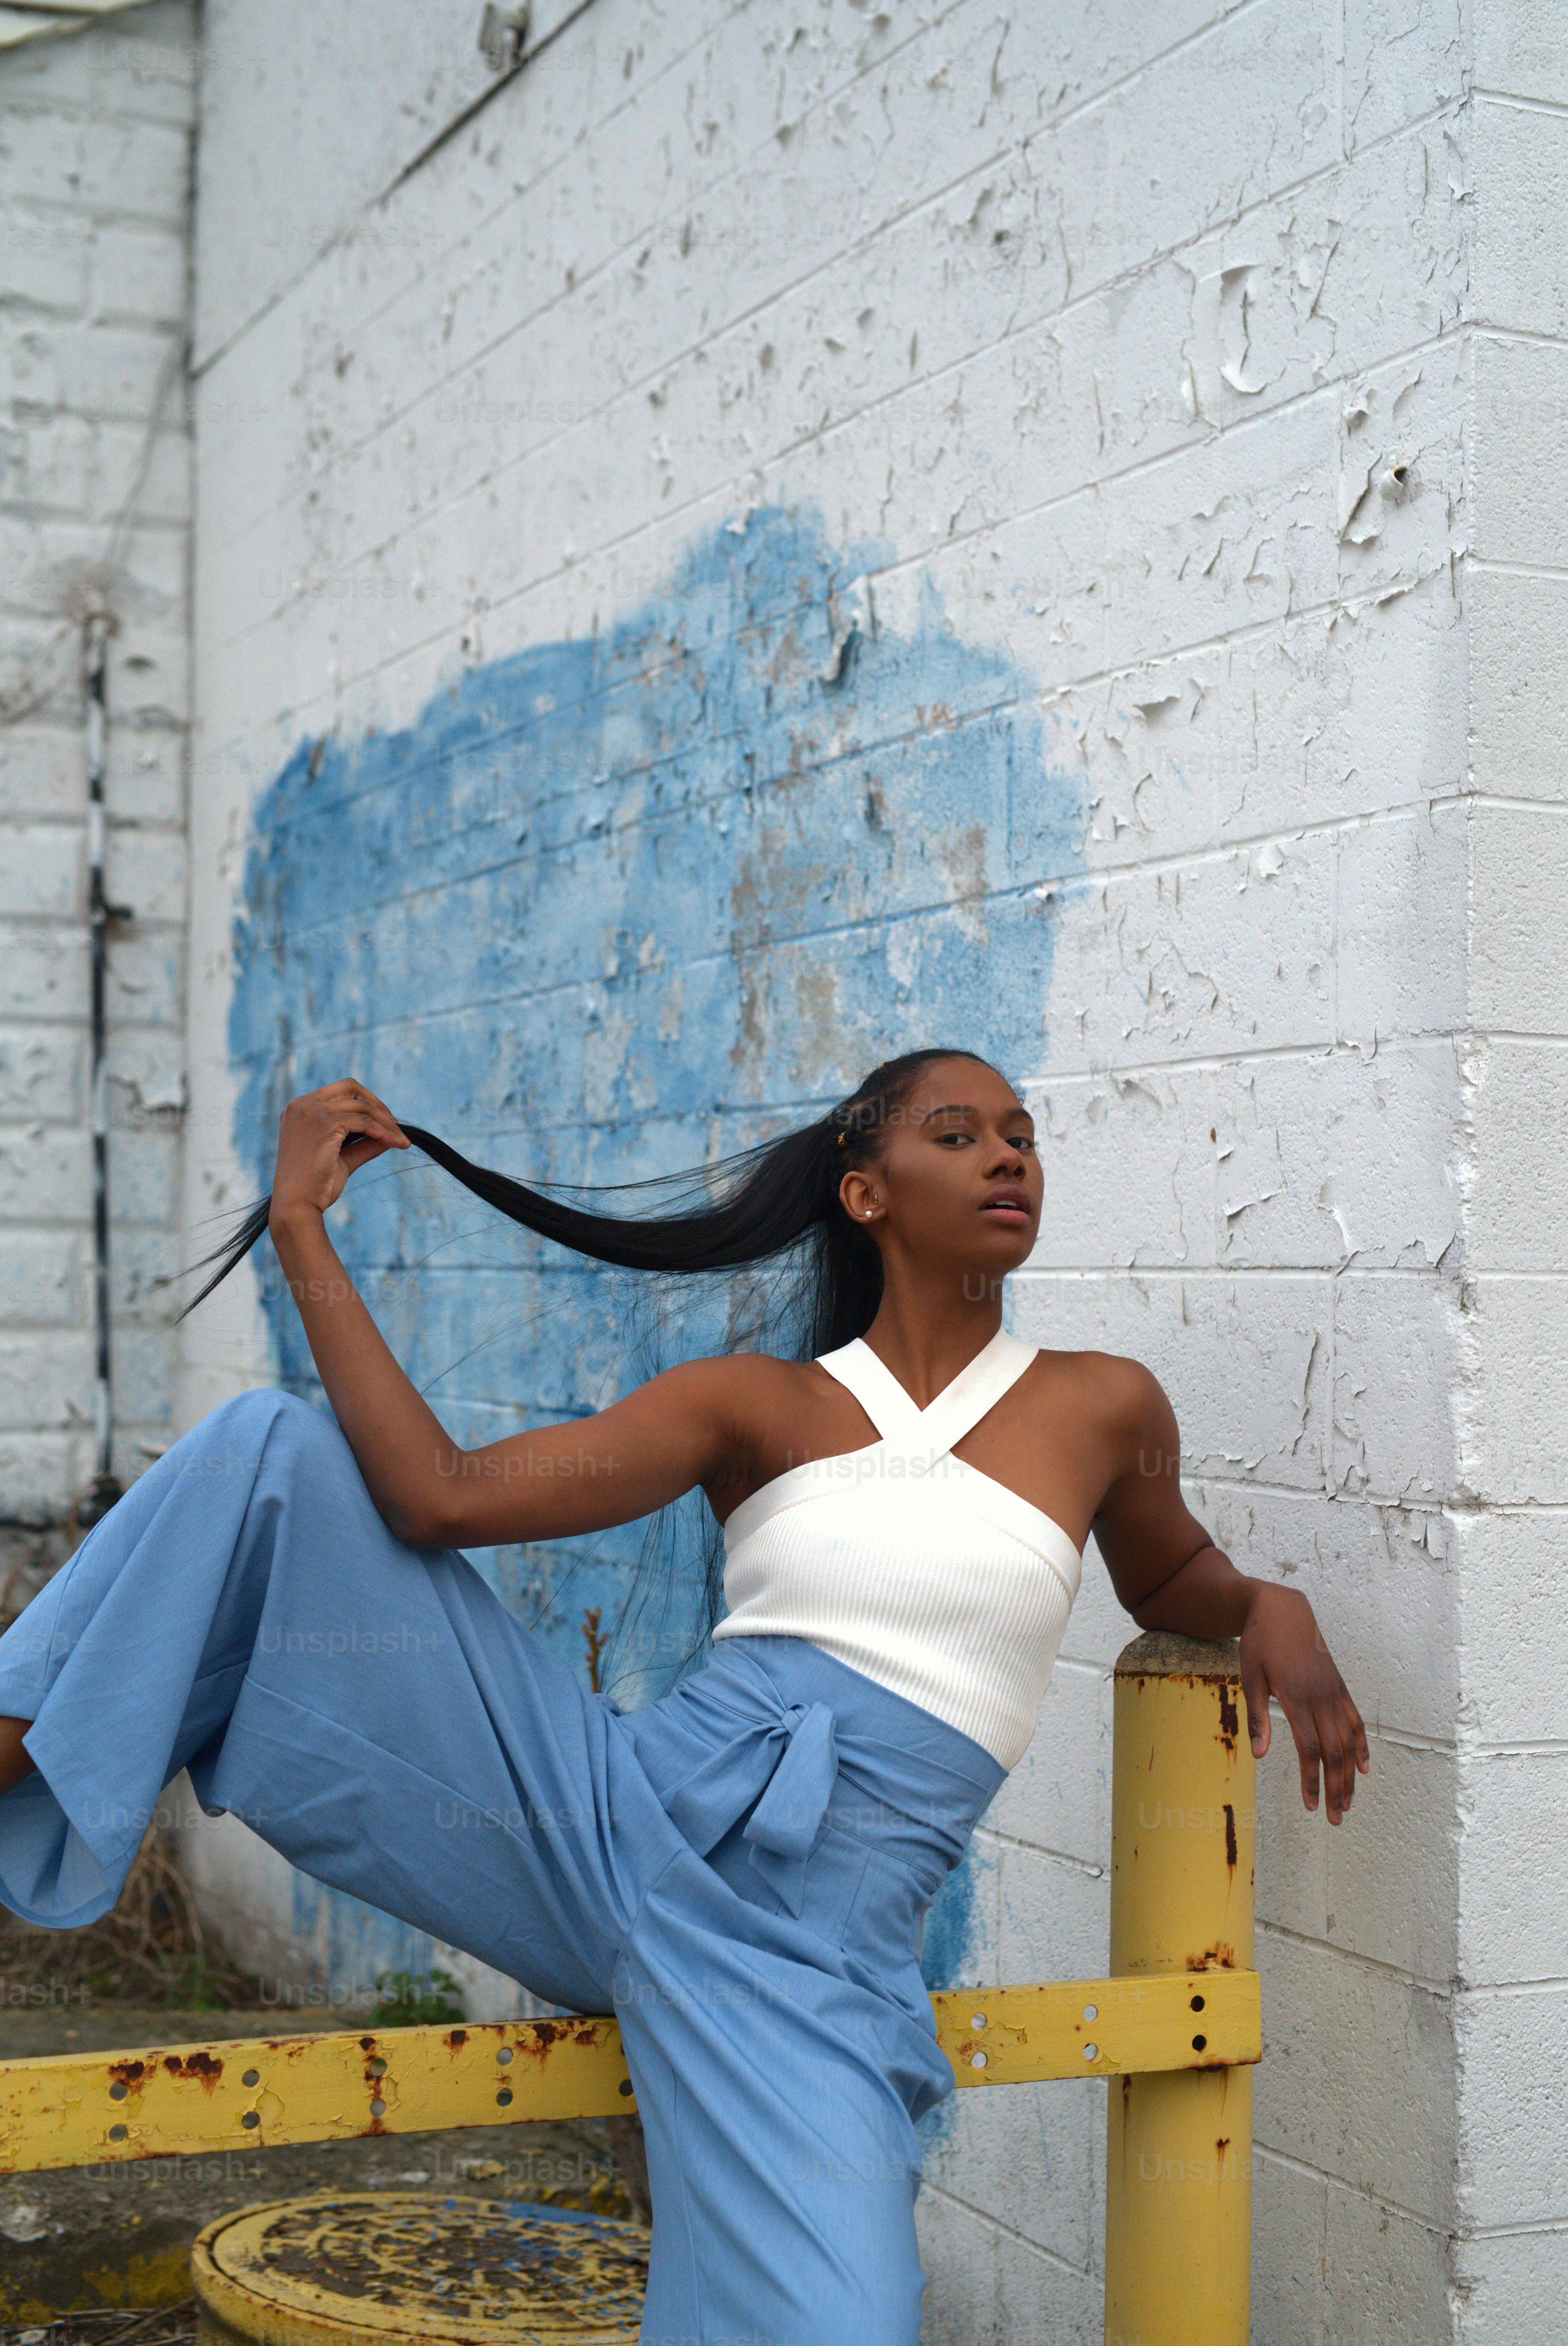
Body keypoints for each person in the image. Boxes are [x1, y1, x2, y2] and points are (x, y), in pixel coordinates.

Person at [0, 1047, 1367, 2346]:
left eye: (1022, 1136)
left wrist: (1264, 1604)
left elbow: (1169, 1569)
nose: (1007, 1157)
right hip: (603, 1825)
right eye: (959, 1135)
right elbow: (436, 1497)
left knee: (849, 2320)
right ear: (867, 1194)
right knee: (270, 1451)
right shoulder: (754, 1403)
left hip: (811, 1957)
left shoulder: (1103, 1405)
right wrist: (301, 1223)